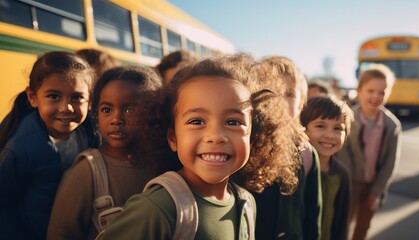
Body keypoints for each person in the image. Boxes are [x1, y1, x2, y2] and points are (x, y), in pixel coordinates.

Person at [100, 53, 302, 239]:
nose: (215, 136)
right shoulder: (156, 209)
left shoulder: (246, 204)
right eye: (197, 121)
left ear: (253, 138)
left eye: (233, 122)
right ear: (172, 138)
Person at [47, 66, 162, 240]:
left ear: (153, 113)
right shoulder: (86, 172)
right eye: (107, 110)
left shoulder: (164, 163)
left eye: (130, 110)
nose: (116, 119)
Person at [0, 51, 99, 240]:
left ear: (90, 101)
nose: (66, 107)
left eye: (77, 98)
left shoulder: (90, 134)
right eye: (54, 96)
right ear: (33, 97)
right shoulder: (20, 149)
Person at [253, 55, 322, 240]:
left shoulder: (307, 154)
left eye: (289, 94)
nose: (280, 100)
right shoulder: (246, 147)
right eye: (271, 91)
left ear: (300, 104)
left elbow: (312, 214)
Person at [337, 63, 401, 240]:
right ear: (359, 90)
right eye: (371, 91)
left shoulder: (392, 125)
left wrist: (377, 189)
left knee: (363, 227)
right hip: (350, 182)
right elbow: (342, 152)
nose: (376, 96)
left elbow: (390, 162)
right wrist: (348, 181)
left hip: (374, 184)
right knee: (342, 223)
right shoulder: (348, 117)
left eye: (382, 92)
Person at [300, 96, 353, 240]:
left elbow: (341, 223)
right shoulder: (294, 171)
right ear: (303, 128)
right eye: (320, 126)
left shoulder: (342, 174)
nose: (330, 135)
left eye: (337, 128)